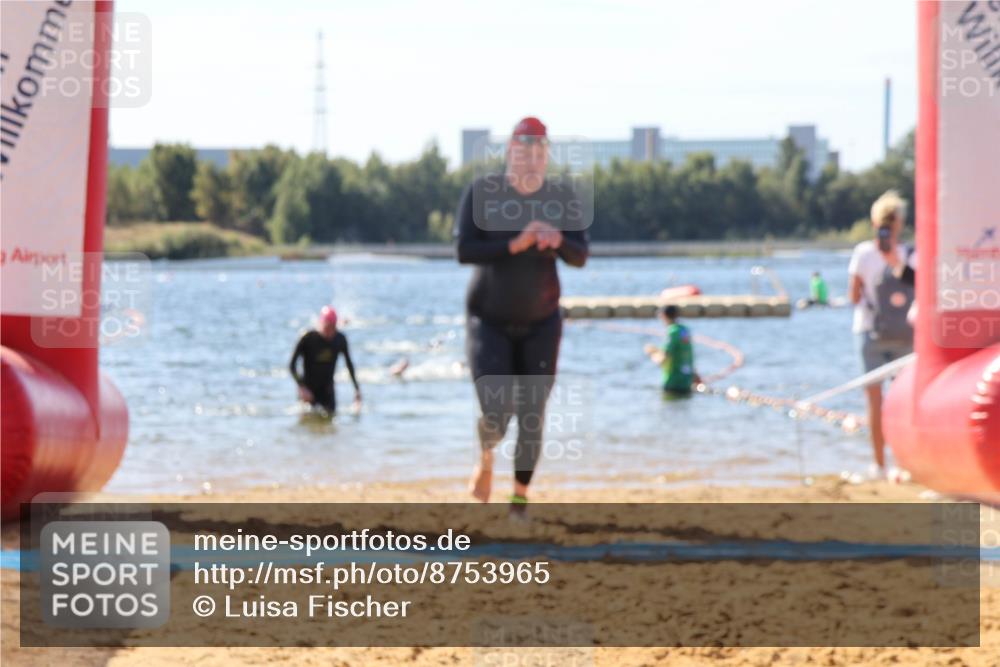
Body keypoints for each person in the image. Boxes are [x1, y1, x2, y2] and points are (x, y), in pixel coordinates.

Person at [456, 116, 589, 509]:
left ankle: (519, 501)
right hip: (488, 319)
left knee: (532, 412)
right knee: (497, 408)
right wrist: (515, 244)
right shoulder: (483, 194)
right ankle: (485, 459)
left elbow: (580, 255)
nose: (531, 160)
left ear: (547, 157)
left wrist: (558, 239)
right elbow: (464, 251)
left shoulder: (561, 198)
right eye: (523, 151)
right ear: (510, 153)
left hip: (541, 323)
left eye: (539, 152)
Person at [847, 190, 914, 477]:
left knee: (875, 401)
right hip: (906, 334)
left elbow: (853, 295)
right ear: (900, 223)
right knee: (904, 402)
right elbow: (920, 286)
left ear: (875, 223)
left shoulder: (863, 253)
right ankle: (904, 464)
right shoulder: (912, 253)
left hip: (869, 332)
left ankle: (879, 465)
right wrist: (896, 263)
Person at [289, 306, 361, 415]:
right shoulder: (307, 338)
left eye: (333, 328)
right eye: (327, 328)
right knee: (307, 423)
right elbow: (291, 366)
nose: (329, 332)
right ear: (320, 323)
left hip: (327, 389)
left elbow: (349, 365)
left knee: (330, 421)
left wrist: (356, 389)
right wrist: (302, 387)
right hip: (309, 389)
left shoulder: (340, 339)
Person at [644, 305, 699, 398]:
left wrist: (651, 353)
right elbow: (685, 354)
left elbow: (662, 359)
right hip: (687, 381)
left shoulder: (672, 331)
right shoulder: (684, 330)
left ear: (664, 316)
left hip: (673, 382)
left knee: (668, 410)